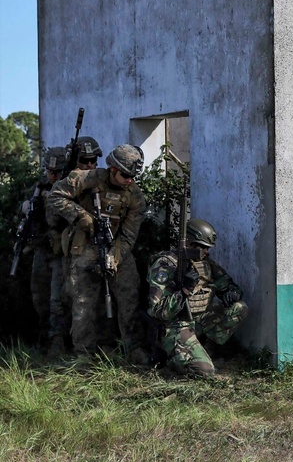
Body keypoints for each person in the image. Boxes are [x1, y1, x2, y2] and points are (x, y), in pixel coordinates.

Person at [47, 144, 148, 362]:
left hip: (118, 246)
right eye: (125, 175)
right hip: (85, 245)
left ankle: (134, 347)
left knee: (129, 295)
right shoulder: (87, 178)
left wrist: (114, 256)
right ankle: (84, 353)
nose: (129, 180)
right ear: (112, 169)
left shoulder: (135, 197)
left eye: (132, 176)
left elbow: (129, 235)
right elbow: (56, 196)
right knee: (83, 302)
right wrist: (81, 217)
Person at [147, 218, 247, 377]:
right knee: (204, 371)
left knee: (239, 308)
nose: (206, 252)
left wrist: (231, 293)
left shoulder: (205, 263)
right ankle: (172, 357)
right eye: (203, 248)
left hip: (199, 320)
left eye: (208, 248)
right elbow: (158, 311)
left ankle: (205, 347)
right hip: (175, 326)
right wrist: (184, 290)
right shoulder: (165, 265)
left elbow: (227, 284)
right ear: (189, 244)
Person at [16, 147, 67, 351]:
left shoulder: (69, 188)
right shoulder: (39, 187)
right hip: (40, 250)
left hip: (59, 253)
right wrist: (25, 207)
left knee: (57, 299)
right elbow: (24, 214)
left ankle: (58, 340)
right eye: (50, 171)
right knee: (39, 296)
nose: (53, 175)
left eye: (58, 172)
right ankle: (44, 337)